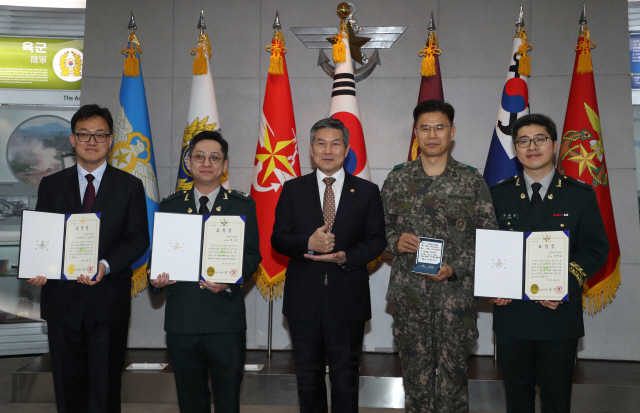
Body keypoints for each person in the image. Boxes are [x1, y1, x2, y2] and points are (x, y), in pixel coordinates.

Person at [27, 104, 150, 412]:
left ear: (110, 140)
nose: (91, 141)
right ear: (72, 140)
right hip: (62, 300)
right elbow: (43, 233)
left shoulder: (130, 186)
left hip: (107, 300)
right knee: (68, 388)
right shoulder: (51, 185)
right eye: (84, 134)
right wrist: (39, 266)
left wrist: (105, 265)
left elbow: (138, 239)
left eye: (99, 135)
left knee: (106, 387)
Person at [381, 99, 498, 413]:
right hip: (409, 300)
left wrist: (455, 268)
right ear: (415, 133)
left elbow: (490, 242)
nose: (432, 134)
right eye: (425, 128)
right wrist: (394, 241)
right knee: (415, 386)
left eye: (440, 127)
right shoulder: (397, 179)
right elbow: (377, 232)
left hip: (454, 302)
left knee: (453, 386)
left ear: (452, 132)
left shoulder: (471, 181)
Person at [490, 113, 608, 412]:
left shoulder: (579, 195)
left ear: (554, 145)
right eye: (523, 141)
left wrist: (563, 284)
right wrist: (493, 282)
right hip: (512, 315)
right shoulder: (496, 195)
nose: (532, 146)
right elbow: (486, 248)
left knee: (556, 401)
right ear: (515, 149)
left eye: (540, 139)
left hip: (558, 318)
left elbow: (595, 248)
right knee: (517, 400)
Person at [271, 118, 386, 413]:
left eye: (336, 143)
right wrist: (308, 243)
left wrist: (346, 256)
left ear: (347, 149)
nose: (328, 149)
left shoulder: (367, 191)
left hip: (347, 299)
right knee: (308, 382)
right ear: (310, 149)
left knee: (345, 381)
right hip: (304, 300)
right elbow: (278, 238)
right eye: (321, 143)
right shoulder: (292, 189)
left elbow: (376, 241)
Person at [149, 130, 261, 413]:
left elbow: (252, 255)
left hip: (225, 322)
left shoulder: (242, 205)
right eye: (199, 157)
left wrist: (230, 281)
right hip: (182, 321)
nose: (206, 163)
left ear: (225, 165)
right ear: (189, 162)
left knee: (227, 399)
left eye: (214, 158)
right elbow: (158, 257)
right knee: (190, 399)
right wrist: (156, 278)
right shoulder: (171, 205)